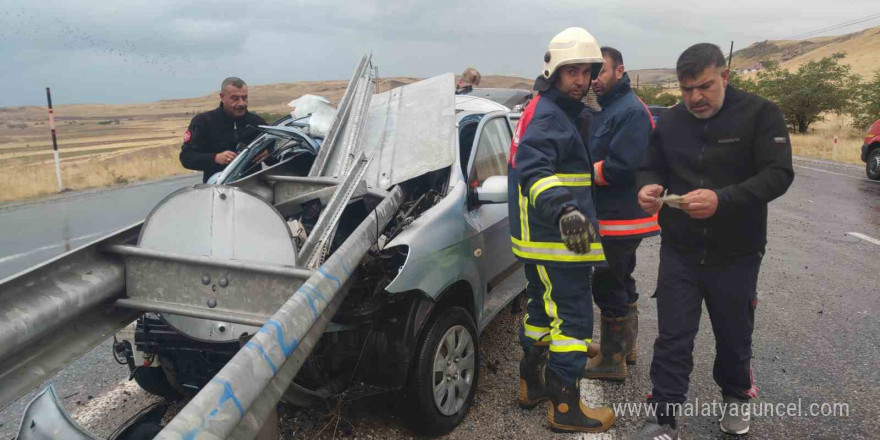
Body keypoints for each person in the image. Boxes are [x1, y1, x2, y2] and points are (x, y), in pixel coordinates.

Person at [629, 43, 794, 439]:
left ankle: (737, 396)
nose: (695, 98)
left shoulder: (761, 114)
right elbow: (650, 165)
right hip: (680, 249)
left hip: (737, 251)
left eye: (704, 87)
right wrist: (647, 187)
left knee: (733, 333)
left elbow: (778, 173)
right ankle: (662, 416)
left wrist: (723, 199)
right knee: (673, 335)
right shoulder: (669, 122)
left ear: (726, 76)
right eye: (686, 90)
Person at [509, 27, 615, 433]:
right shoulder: (550, 115)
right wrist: (567, 212)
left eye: (586, 72)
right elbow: (534, 171)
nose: (581, 81)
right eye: (572, 71)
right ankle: (566, 407)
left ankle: (531, 384)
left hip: (540, 241)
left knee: (540, 314)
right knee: (571, 323)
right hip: (558, 239)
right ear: (553, 71)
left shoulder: (547, 109)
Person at [584, 47, 658, 382]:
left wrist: (585, 173)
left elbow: (622, 166)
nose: (594, 80)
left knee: (607, 283)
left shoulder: (630, 111)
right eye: (591, 73)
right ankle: (625, 348)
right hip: (618, 216)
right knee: (622, 280)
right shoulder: (615, 106)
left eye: (600, 72)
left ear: (620, 70)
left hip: (619, 217)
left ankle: (611, 362)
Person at [180, 77, 267, 182]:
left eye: (244, 98)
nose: (241, 103)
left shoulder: (257, 122)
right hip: (217, 189)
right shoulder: (203, 122)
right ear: (222, 96)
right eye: (235, 98)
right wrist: (215, 158)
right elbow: (186, 158)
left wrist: (268, 152)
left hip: (255, 187)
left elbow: (276, 156)